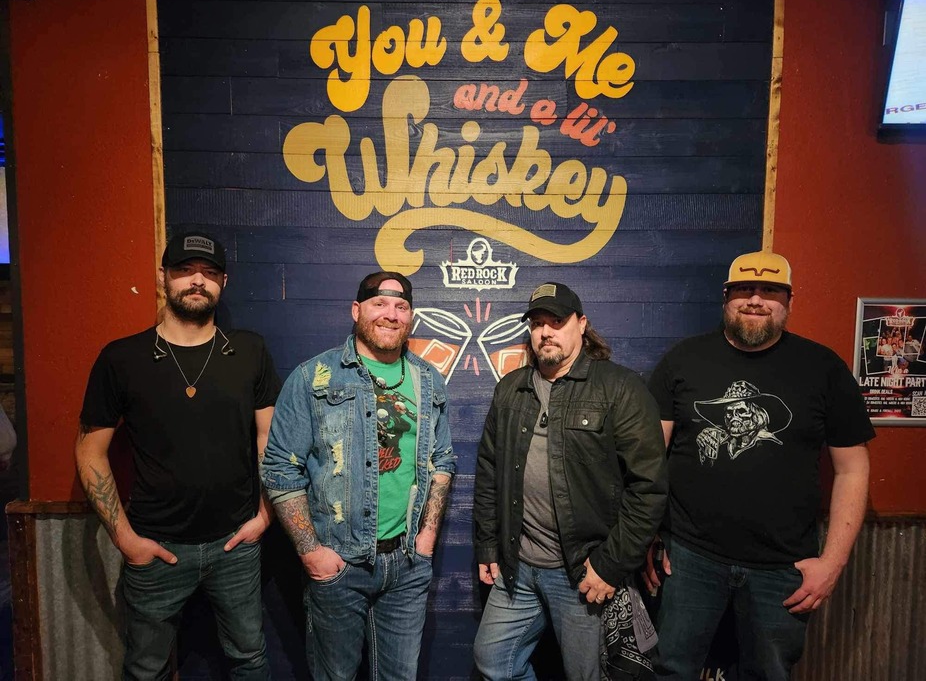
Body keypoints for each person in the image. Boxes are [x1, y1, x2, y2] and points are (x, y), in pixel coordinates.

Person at [644, 251, 874, 681]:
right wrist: (647, 535)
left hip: (783, 567)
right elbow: (649, 458)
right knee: (670, 669)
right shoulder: (683, 360)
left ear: (789, 301)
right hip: (689, 558)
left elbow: (853, 470)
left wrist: (833, 563)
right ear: (726, 298)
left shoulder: (823, 368)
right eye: (744, 290)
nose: (755, 299)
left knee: (769, 674)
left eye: (770, 291)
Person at [75, 231, 281, 680]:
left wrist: (264, 516)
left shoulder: (249, 350)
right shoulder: (122, 358)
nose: (197, 281)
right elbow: (90, 451)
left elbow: (270, 440)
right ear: (163, 277)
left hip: (236, 545)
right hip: (155, 546)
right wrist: (126, 540)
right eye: (185, 270)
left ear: (223, 282)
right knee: (145, 668)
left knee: (250, 659)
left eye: (208, 272)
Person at [260, 271, 455, 681]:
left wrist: (426, 539)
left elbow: (441, 461)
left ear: (411, 316)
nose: (391, 314)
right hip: (338, 565)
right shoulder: (314, 377)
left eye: (401, 306)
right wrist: (311, 552)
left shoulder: (428, 379)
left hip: (406, 565)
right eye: (379, 303)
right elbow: (280, 468)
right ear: (356, 310)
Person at [473, 282, 668, 680]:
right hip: (518, 566)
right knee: (492, 660)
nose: (545, 332)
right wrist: (488, 544)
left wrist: (610, 565)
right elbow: (489, 470)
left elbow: (648, 487)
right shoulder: (511, 389)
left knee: (586, 675)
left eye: (557, 321)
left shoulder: (619, 388)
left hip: (582, 571)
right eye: (537, 324)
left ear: (581, 324)